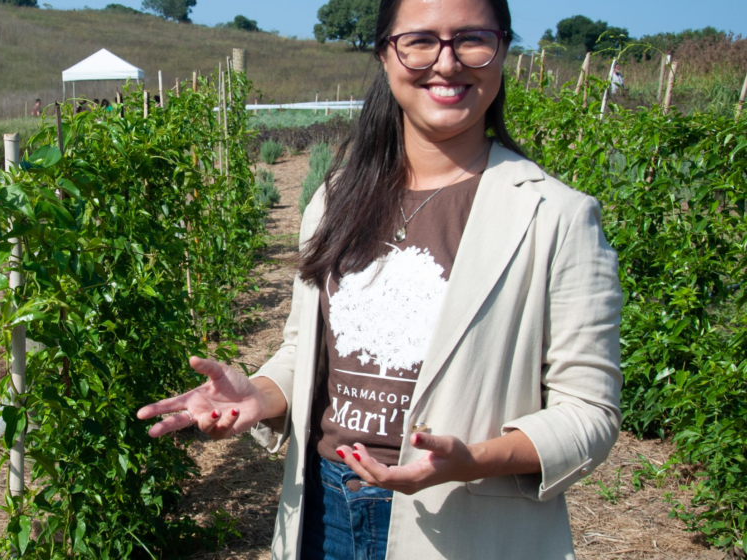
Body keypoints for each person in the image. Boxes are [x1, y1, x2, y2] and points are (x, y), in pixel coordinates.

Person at [136, 0, 623, 558]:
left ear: (503, 49)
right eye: (419, 41)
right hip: (323, 510)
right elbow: (308, 351)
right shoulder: (335, 199)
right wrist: (261, 394)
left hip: (460, 524)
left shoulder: (554, 215)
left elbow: (590, 413)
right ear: (386, 55)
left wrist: (472, 460)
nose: (446, 62)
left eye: (471, 39)